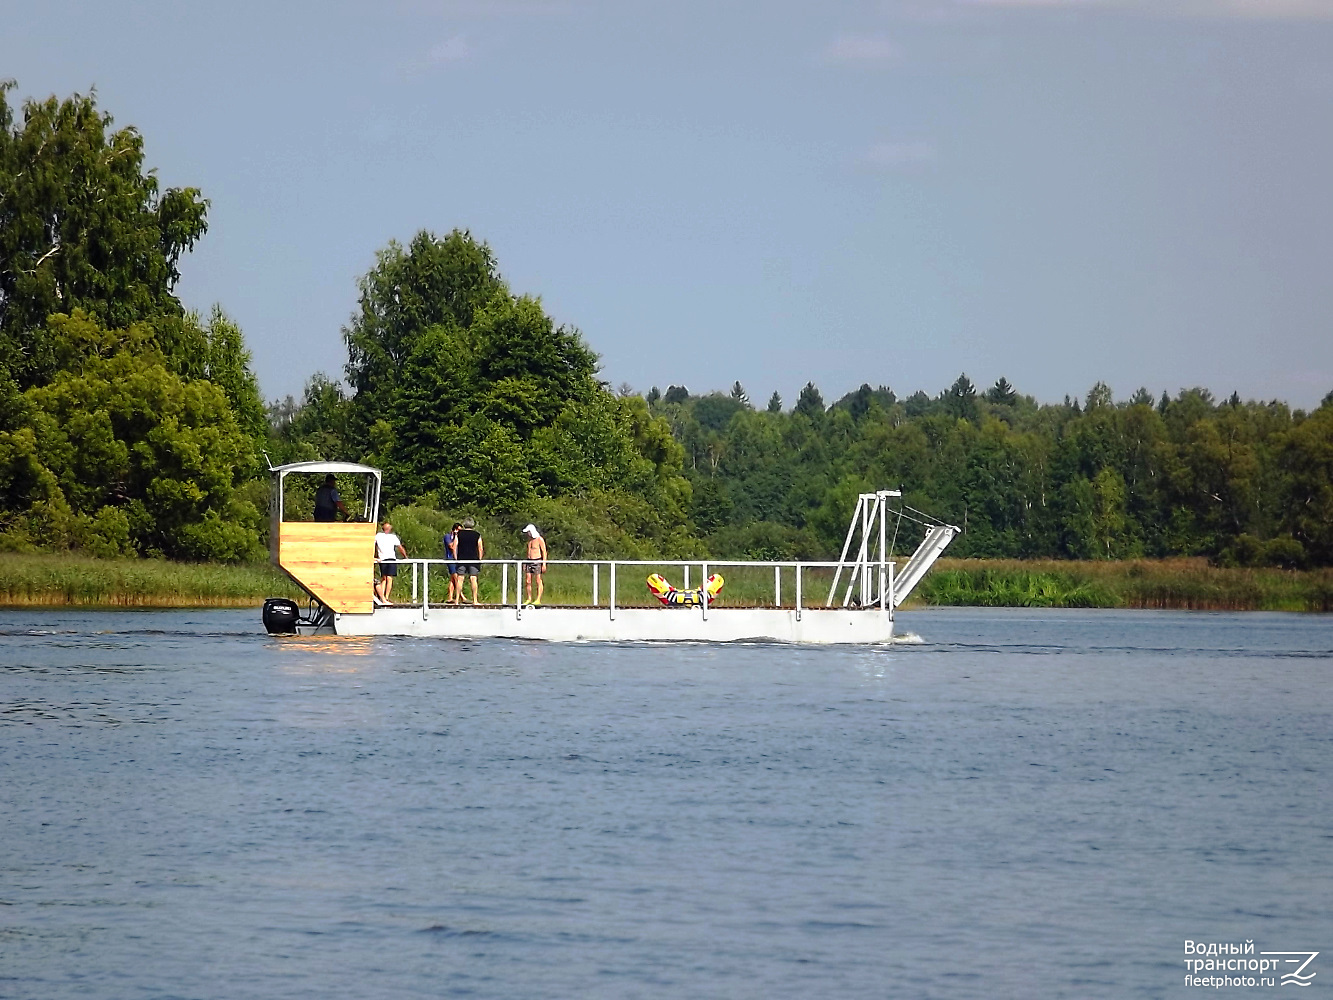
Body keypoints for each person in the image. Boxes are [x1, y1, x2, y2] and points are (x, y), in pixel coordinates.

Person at [374, 521, 407, 604]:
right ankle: (386, 597)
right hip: (390, 558)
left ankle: (381, 596)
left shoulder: (378, 536)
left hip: (383, 559)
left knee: (384, 578)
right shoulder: (392, 537)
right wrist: (405, 557)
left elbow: (373, 545)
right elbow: (400, 548)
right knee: (389, 578)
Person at [454, 517, 484, 606]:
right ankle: (475, 600)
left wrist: (456, 558)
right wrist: (480, 559)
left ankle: (456, 600)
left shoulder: (459, 534)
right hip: (473, 559)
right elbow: (480, 548)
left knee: (460, 579)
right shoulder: (477, 535)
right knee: (473, 578)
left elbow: (455, 546)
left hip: (461, 558)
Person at [522, 523, 547, 607]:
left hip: (537, 561)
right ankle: (529, 598)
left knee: (538, 580)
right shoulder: (529, 541)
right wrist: (526, 562)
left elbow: (544, 551)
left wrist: (544, 563)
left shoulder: (539, 539)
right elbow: (528, 552)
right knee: (528, 580)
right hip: (529, 561)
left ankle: (538, 599)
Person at [443, 522, 462, 604]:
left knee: (452, 579)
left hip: (457, 559)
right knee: (456, 578)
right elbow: (451, 546)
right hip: (450, 559)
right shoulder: (448, 536)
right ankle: (462, 596)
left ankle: (450, 597)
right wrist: (455, 537)